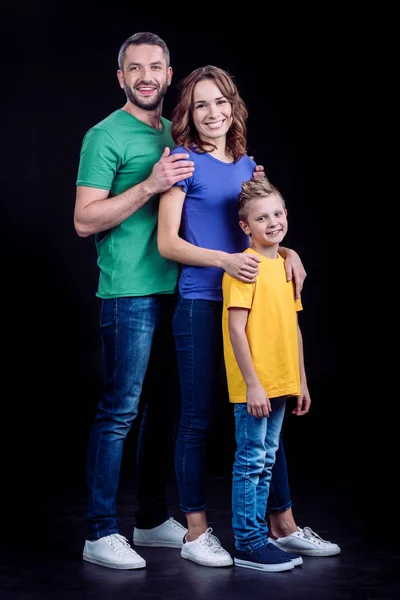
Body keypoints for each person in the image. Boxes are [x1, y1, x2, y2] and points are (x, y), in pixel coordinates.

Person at [157, 65, 309, 568]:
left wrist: (289, 254)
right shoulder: (183, 162)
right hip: (203, 302)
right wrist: (224, 261)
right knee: (198, 418)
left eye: (220, 101)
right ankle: (196, 530)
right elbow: (168, 242)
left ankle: (281, 524)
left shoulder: (247, 166)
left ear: (233, 106)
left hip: (254, 304)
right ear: (189, 114)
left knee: (267, 408)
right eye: (201, 104)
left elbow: (263, 228)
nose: (213, 112)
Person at [73, 32, 197, 570]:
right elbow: (84, 220)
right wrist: (149, 185)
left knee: (165, 410)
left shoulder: (179, 132)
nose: (146, 76)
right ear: (121, 77)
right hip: (130, 293)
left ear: (170, 75)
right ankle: (100, 532)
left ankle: (149, 520)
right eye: (135, 68)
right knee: (120, 410)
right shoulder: (103, 136)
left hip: (182, 289)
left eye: (156, 67)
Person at [222, 176, 312, 571]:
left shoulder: (286, 267)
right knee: (251, 460)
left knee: (267, 457)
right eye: (262, 218)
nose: (273, 222)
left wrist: (301, 381)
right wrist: (254, 384)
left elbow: (292, 328)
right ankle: (248, 540)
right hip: (254, 386)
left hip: (282, 380)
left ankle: (260, 537)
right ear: (246, 227)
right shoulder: (245, 269)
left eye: (277, 214)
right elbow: (236, 329)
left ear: (286, 215)